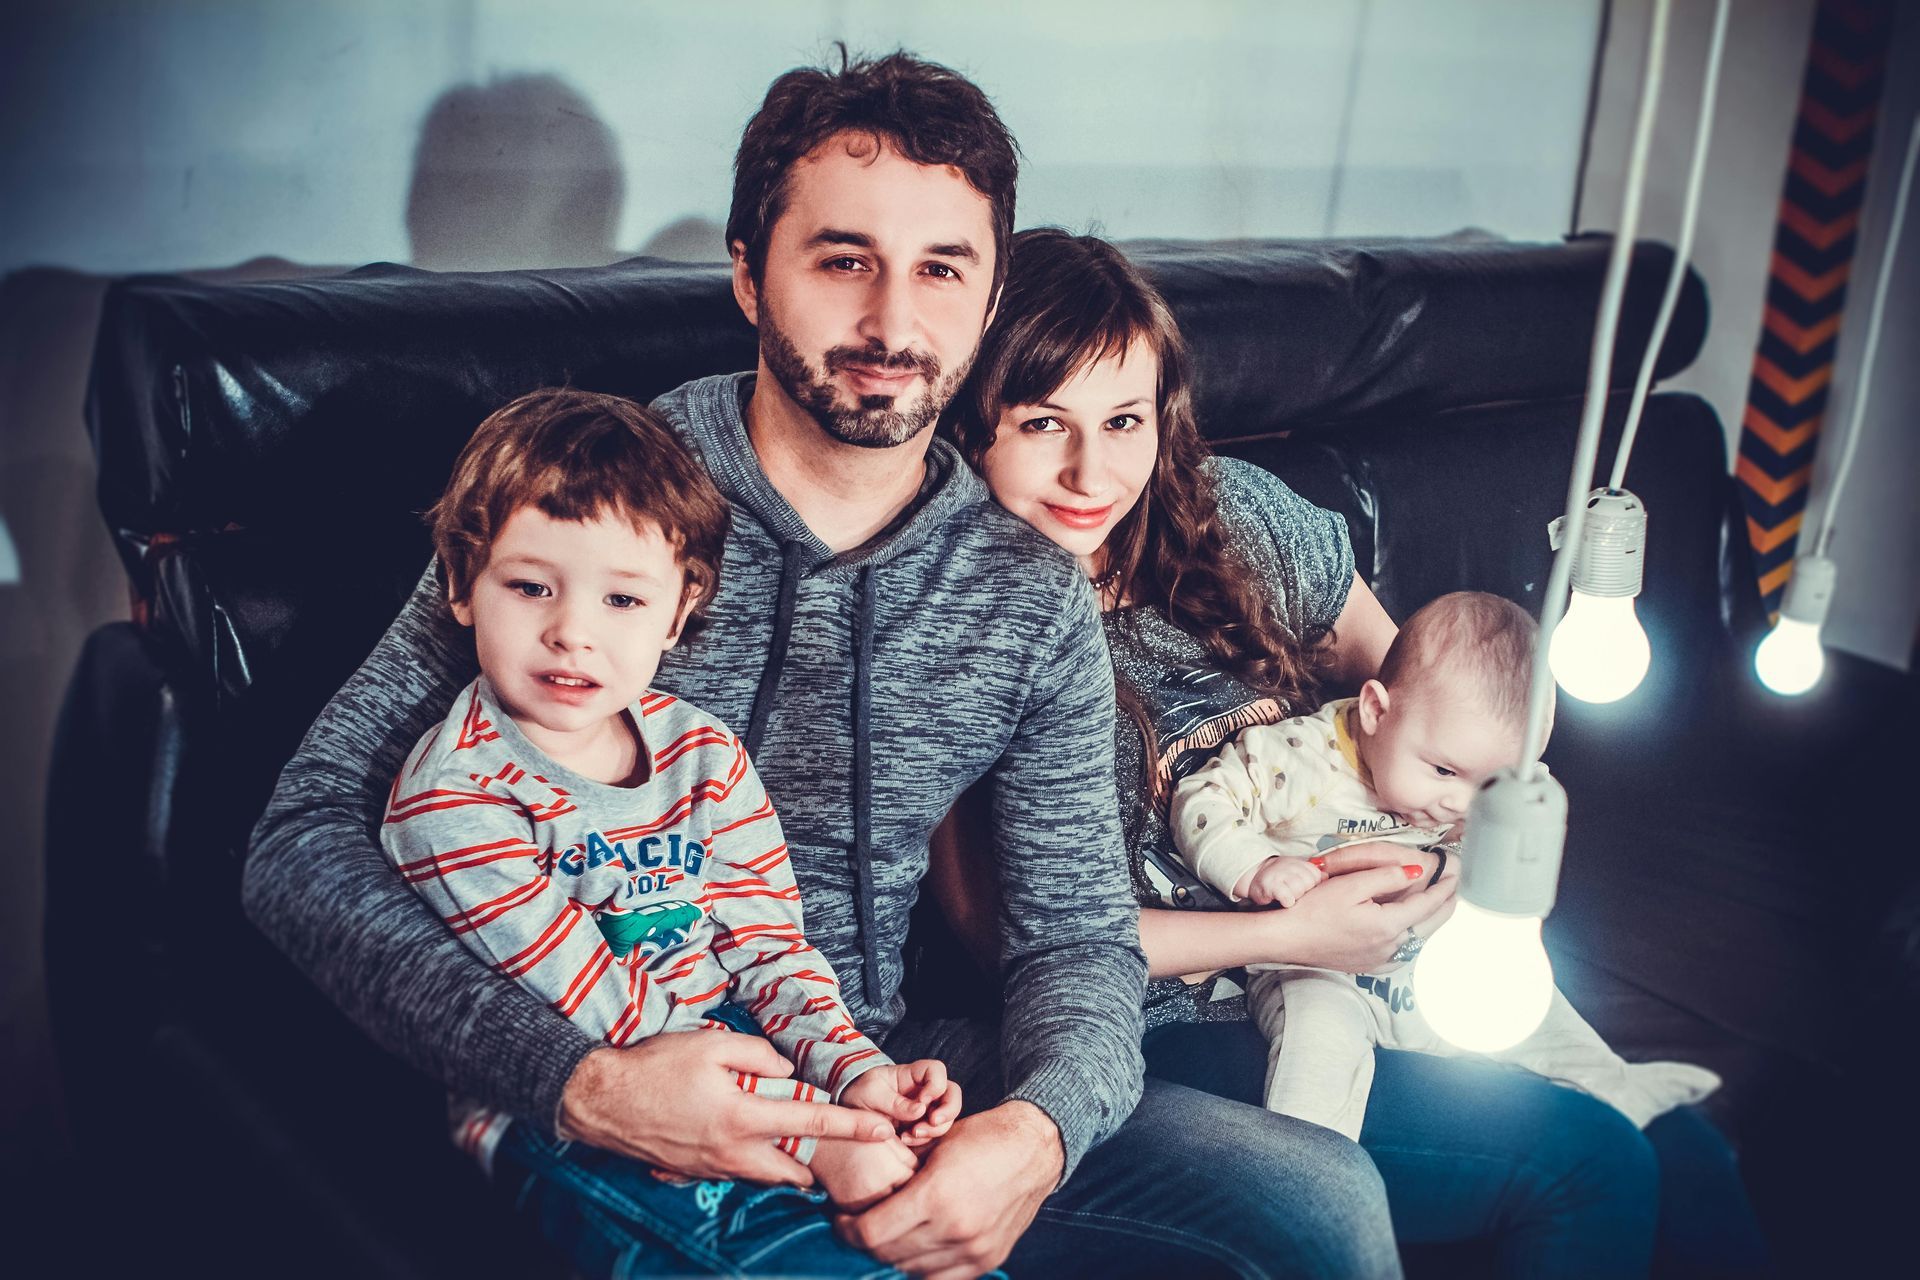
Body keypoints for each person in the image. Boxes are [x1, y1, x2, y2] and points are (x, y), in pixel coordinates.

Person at [246, 53, 1401, 1280]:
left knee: (1322, 1206)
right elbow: (301, 841)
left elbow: (1073, 937)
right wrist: (585, 1083)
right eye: (844, 259)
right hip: (602, 1076)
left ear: (991, 287)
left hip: (880, 1059)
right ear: (751, 271)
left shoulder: (1022, 588)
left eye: (942, 269)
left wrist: (1038, 1130)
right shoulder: (591, 503)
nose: (894, 326)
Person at [938, 227, 1770, 1278]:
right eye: (1040, 422)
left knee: (1678, 1141)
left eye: (1122, 421)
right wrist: (1297, 930)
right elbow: (1010, 943)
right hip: (1163, 1020)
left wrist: (1455, 846)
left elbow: (1435, 699)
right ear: (973, 426)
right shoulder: (963, 621)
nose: (1089, 471)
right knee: (1588, 1157)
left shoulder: (1236, 517)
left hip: (1382, 952)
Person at [380, 387, 960, 1209]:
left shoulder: (703, 754)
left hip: (732, 1045)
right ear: (463, 584)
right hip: (572, 1107)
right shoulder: (455, 799)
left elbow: (767, 945)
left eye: (622, 599)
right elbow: (590, 1002)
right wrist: (816, 1136)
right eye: (530, 587)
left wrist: (853, 1069)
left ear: (678, 611)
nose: (573, 632)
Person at [1170, 590, 1719, 1142]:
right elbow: (1202, 798)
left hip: (1428, 964)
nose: (1461, 803)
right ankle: (1305, 1167)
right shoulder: (1300, 757)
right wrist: (1255, 864)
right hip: (1315, 965)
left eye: (1489, 784)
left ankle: (1617, 1087)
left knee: (1536, 1004)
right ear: (1376, 710)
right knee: (1319, 1047)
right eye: (1443, 770)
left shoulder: (1464, 787)